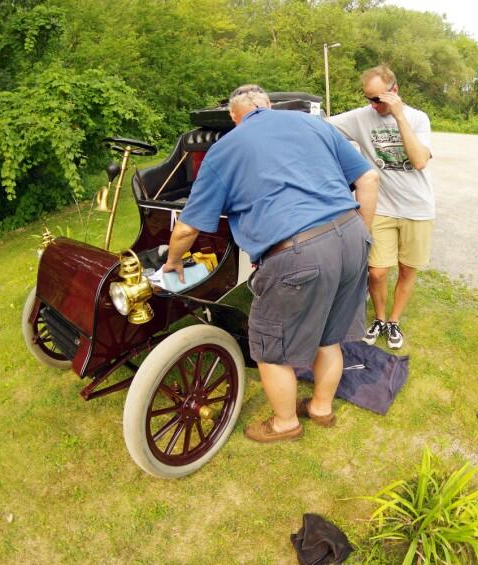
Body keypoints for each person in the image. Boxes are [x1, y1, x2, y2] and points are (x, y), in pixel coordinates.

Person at [162, 85, 379, 443]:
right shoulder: (315, 124)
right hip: (352, 235)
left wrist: (172, 261)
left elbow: (186, 227)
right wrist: (363, 234)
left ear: (235, 117)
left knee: (269, 347)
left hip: (297, 250)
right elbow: (368, 178)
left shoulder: (225, 148)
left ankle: (284, 424)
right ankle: (321, 410)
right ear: (267, 105)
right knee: (330, 336)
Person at [329, 65, 434, 350]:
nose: (373, 106)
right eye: (368, 99)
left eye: (378, 99)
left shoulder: (418, 119)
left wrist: (399, 116)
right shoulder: (362, 117)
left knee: (407, 270)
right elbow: (323, 125)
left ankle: (394, 321)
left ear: (394, 91)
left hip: (418, 208)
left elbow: (419, 160)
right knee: (376, 271)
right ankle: (379, 318)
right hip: (383, 207)